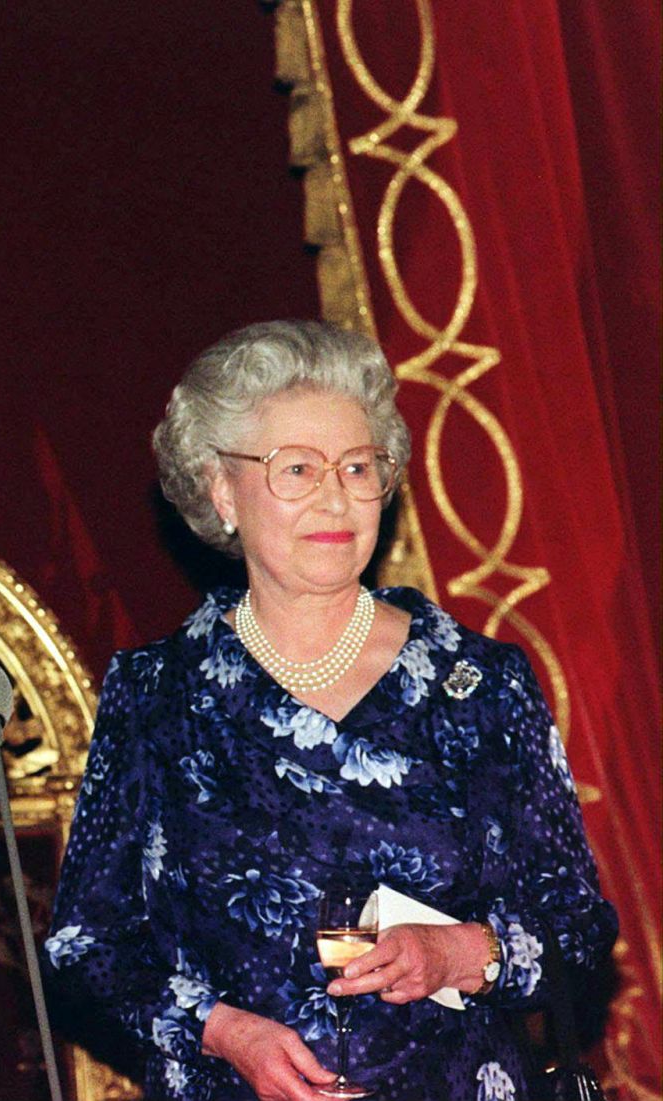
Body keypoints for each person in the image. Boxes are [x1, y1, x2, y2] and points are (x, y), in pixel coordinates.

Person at [43, 321, 616, 1100]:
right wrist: (223, 1032)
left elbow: (579, 931)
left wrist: (460, 953)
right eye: (298, 468)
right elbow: (88, 945)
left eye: (357, 466)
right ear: (222, 490)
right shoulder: (156, 696)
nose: (336, 496)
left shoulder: (478, 683)